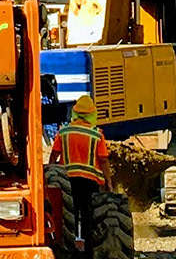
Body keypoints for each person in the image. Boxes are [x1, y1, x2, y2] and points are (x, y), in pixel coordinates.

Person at [51, 94, 111, 244]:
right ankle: (87, 245)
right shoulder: (96, 134)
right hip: (89, 182)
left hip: (67, 181)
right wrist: (108, 181)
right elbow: (103, 160)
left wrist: (50, 174)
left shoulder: (63, 132)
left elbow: (54, 156)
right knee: (87, 213)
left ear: (75, 112)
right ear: (92, 114)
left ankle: (68, 244)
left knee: (68, 214)